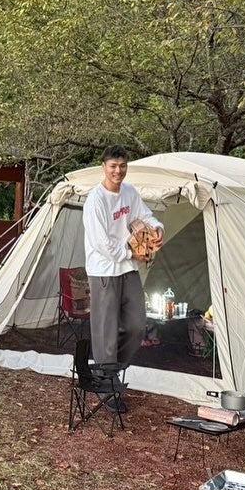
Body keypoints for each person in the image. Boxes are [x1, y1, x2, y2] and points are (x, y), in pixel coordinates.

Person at [83, 145, 164, 377]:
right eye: (113, 166)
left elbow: (145, 216)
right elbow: (102, 244)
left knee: (137, 326)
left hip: (128, 269)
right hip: (104, 271)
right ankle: (107, 384)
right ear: (103, 167)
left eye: (122, 166)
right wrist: (132, 253)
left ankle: (108, 370)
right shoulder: (95, 201)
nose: (118, 171)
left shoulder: (129, 192)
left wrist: (157, 229)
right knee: (105, 331)